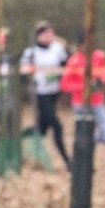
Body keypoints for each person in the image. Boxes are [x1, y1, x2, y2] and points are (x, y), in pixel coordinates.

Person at [20, 20, 70, 170]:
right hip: (40, 94)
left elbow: (67, 65)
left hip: (54, 92)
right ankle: (68, 161)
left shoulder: (58, 49)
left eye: (50, 33)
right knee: (56, 126)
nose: (49, 36)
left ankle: (14, 141)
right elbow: (23, 73)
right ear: (38, 36)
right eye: (45, 33)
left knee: (41, 129)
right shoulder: (31, 52)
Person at [61, 43, 105, 143]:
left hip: (97, 101)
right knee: (85, 134)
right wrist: (84, 86)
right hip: (80, 102)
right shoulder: (74, 61)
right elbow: (65, 85)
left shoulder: (99, 56)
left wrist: (101, 80)